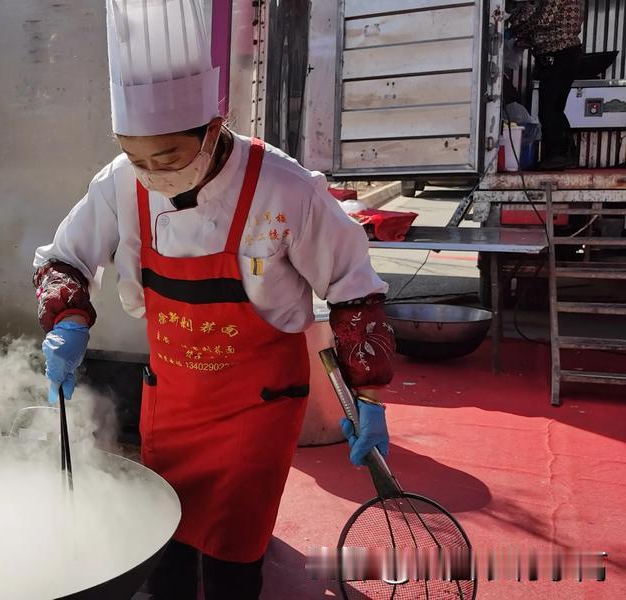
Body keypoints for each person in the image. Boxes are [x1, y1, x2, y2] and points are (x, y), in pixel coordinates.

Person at [34, 1, 395, 598]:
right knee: (164, 548)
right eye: (136, 156)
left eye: (169, 156)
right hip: (172, 403)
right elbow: (65, 257)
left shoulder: (284, 188)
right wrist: (68, 320)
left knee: (233, 556)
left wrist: (371, 394)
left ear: (212, 126)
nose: (151, 174)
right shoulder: (120, 182)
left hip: (257, 408)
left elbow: (353, 288)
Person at [511, 0, 584, 170]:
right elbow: (543, 30)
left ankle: (558, 154)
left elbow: (542, 21)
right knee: (555, 107)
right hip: (564, 56)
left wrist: (515, 29)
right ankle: (565, 153)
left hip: (559, 56)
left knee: (548, 107)